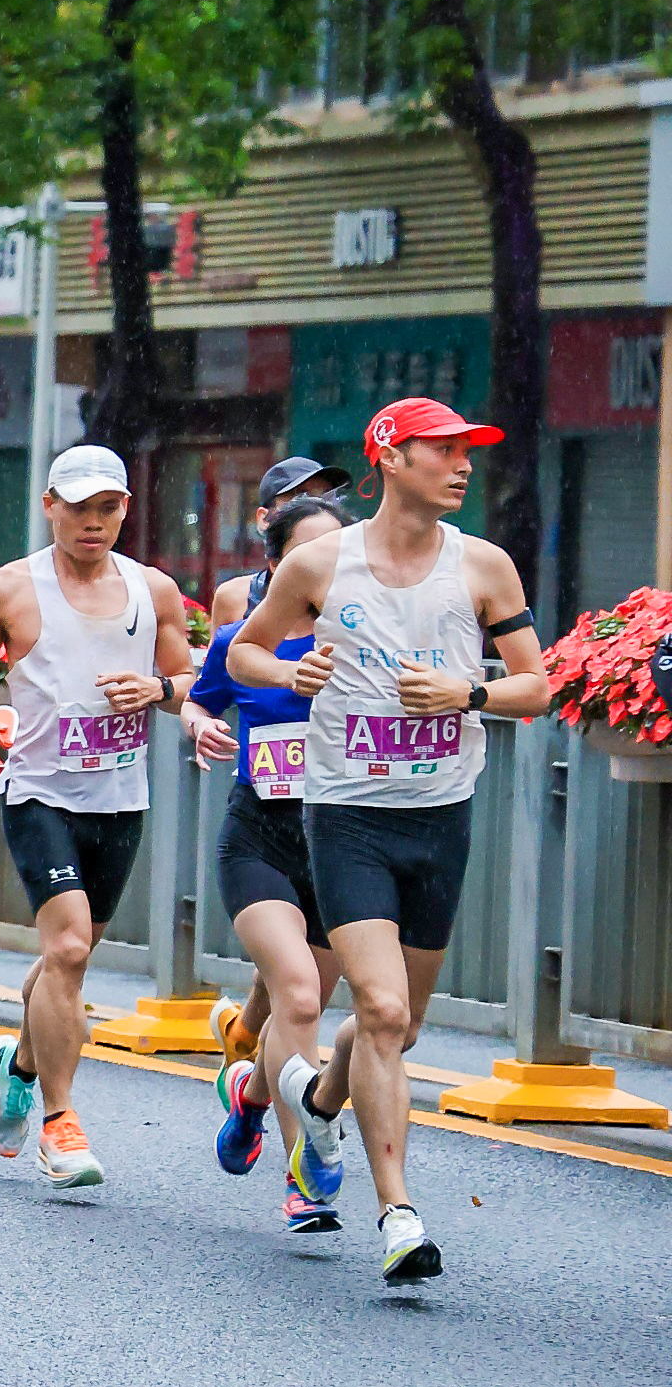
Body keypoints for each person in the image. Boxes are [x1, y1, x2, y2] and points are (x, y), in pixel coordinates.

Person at [230, 398, 548, 1286]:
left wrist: (469, 695)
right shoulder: (319, 563)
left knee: (395, 1029)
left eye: (467, 451)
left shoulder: (483, 566)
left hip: (441, 816)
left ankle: (317, 1102)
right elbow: (242, 656)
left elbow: (539, 685)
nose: (462, 465)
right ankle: (398, 1212)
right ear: (390, 456)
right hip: (348, 815)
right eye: (442, 450)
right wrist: (292, 669)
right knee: (379, 1009)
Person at [0, 445, 201, 1182]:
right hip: (37, 789)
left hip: (119, 797)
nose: (94, 523)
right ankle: (60, 1125)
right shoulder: (6, 590)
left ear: (125, 508)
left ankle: (18, 1061)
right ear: (49, 505)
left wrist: (155, 691)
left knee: (74, 953)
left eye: (108, 508)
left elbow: (189, 680)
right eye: (79, 507)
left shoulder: (153, 589)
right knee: (64, 950)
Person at [196, 494, 355, 1232]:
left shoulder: (368, 644)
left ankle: (252, 1098)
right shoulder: (242, 641)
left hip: (342, 843)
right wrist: (202, 730)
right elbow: (201, 700)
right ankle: (304, 1178)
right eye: (308, 555)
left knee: (303, 1008)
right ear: (276, 563)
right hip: (259, 834)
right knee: (294, 995)